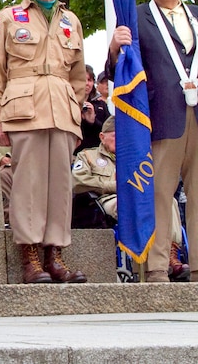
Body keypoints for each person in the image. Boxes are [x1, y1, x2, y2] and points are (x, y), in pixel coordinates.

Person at [0, 0, 88, 284]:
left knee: (60, 183)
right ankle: (29, 256)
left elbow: (77, 77)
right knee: (27, 183)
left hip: (61, 108)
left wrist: (74, 112)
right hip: (23, 108)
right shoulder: (9, 17)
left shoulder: (72, 21)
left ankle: (55, 254)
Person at [107, 0, 198, 283]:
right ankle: (157, 268)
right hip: (160, 117)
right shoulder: (138, 17)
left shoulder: (197, 16)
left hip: (196, 114)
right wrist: (115, 48)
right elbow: (121, 70)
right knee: (159, 193)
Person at [71, 117, 190, 280]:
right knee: (131, 204)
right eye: (114, 135)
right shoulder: (88, 156)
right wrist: (114, 186)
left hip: (139, 196)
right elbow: (78, 182)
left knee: (169, 202)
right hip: (109, 199)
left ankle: (171, 253)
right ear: (102, 136)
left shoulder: (135, 158)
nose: (119, 139)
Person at [77, 63, 110, 153]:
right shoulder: (67, 103)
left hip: (97, 154)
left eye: (90, 80)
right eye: (83, 80)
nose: (87, 84)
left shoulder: (101, 105)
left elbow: (108, 131)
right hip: (74, 153)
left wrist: (93, 121)